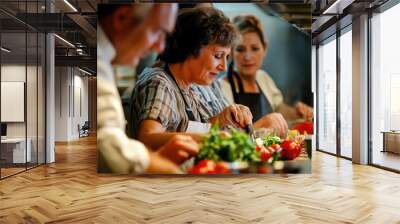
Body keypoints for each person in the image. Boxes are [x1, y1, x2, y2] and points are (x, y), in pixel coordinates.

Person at [97, 3, 199, 174]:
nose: (159, 47)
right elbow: (108, 144)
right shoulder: (99, 61)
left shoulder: (105, 61)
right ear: (121, 18)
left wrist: (158, 157)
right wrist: (169, 169)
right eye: (156, 31)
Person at [130, 7, 254, 145]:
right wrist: (211, 138)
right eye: (218, 56)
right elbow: (148, 137)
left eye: (227, 57)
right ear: (191, 48)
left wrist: (226, 119)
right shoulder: (160, 82)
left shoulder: (201, 82)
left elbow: (199, 128)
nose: (223, 67)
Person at [221, 15, 313, 124]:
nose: (248, 57)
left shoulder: (263, 78)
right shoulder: (222, 88)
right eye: (240, 49)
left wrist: (299, 112)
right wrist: (263, 124)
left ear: (264, 48)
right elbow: (226, 134)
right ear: (231, 52)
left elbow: (280, 110)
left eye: (255, 49)